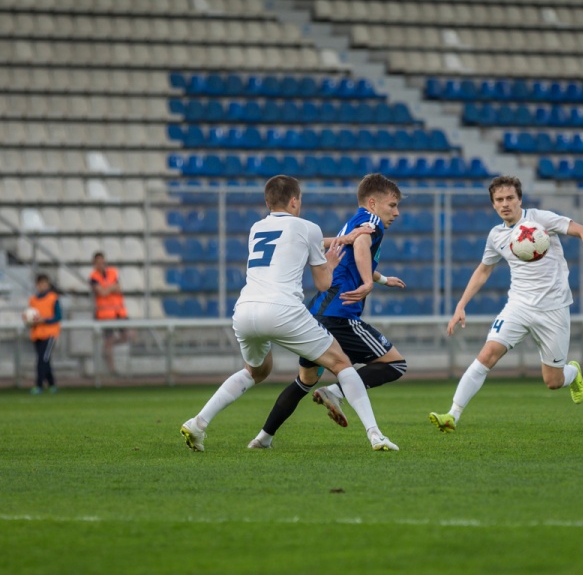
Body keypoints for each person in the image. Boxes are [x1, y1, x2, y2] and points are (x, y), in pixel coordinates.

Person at [180, 174, 398, 453]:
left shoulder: (256, 228)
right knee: (341, 363)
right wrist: (330, 263)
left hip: (245, 310)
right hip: (283, 310)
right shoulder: (308, 227)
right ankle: (375, 435)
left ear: (268, 202)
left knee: (255, 371)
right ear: (295, 201)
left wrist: (343, 238)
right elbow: (324, 284)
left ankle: (198, 423)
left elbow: (294, 240)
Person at [428, 175, 583, 433]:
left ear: (519, 199)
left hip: (554, 308)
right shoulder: (496, 235)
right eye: (499, 199)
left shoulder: (540, 219)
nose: (505, 204)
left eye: (510, 198)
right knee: (487, 354)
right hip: (518, 306)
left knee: (553, 381)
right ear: (493, 204)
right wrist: (461, 305)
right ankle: (452, 415)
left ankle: (572, 372)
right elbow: (483, 270)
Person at [247, 173, 407, 449]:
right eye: (392, 205)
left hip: (316, 313)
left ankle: (263, 437)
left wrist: (382, 279)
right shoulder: (371, 221)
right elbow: (361, 245)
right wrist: (368, 282)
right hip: (339, 314)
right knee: (395, 364)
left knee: (304, 380)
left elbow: (351, 259)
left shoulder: (354, 222)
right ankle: (336, 393)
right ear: (372, 203)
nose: (396, 212)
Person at [89, 251, 130, 374]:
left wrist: (108, 289)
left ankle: (107, 347)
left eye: (102, 261)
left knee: (129, 335)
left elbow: (118, 288)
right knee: (108, 340)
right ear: (94, 263)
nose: (101, 264)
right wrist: (111, 288)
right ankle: (112, 370)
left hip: (119, 312)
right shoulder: (93, 277)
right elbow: (101, 292)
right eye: (98, 262)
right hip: (105, 314)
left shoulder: (112, 272)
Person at [24, 273, 62, 395]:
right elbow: (30, 318)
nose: (42, 286)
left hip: (50, 333)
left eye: (45, 284)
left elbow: (58, 316)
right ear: (37, 285)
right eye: (40, 284)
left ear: (48, 285)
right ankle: (52, 384)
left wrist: (44, 320)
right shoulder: (33, 300)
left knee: (42, 359)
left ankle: (39, 385)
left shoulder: (53, 298)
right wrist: (29, 320)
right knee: (45, 360)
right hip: (37, 334)